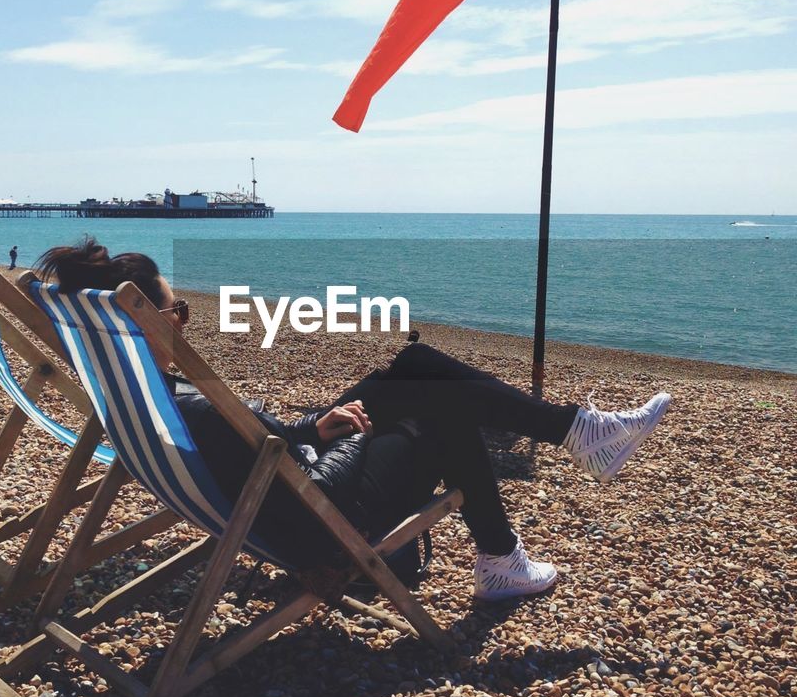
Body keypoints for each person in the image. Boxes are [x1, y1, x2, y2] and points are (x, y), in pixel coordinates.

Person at [35, 239, 671, 601]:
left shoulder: (144, 394)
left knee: (417, 361)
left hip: (293, 474)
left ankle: (580, 436)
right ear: (150, 319)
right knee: (441, 410)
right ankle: (509, 545)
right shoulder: (189, 403)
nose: (185, 321)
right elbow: (265, 452)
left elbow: (259, 443)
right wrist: (326, 435)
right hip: (318, 509)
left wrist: (316, 428)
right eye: (180, 312)